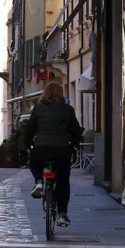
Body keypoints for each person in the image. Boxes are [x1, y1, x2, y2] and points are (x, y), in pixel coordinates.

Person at [24, 82, 83, 228]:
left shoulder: (38, 109)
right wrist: (74, 145)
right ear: (61, 94)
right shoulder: (68, 110)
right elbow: (76, 131)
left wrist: (26, 144)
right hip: (62, 150)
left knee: (35, 162)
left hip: (41, 148)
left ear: (45, 93)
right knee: (63, 181)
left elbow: (29, 130)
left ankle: (39, 181)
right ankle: (62, 214)